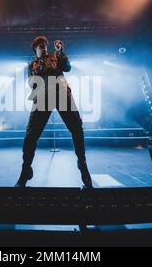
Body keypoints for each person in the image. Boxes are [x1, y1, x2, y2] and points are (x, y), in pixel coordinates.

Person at [15, 36, 93, 188]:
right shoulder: (31, 65)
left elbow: (67, 68)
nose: (44, 46)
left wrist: (61, 51)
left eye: (45, 44)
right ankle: (25, 170)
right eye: (40, 45)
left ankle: (82, 165)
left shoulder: (55, 55)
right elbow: (31, 84)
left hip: (62, 92)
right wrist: (36, 74)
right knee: (31, 135)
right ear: (35, 48)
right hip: (43, 97)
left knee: (77, 128)